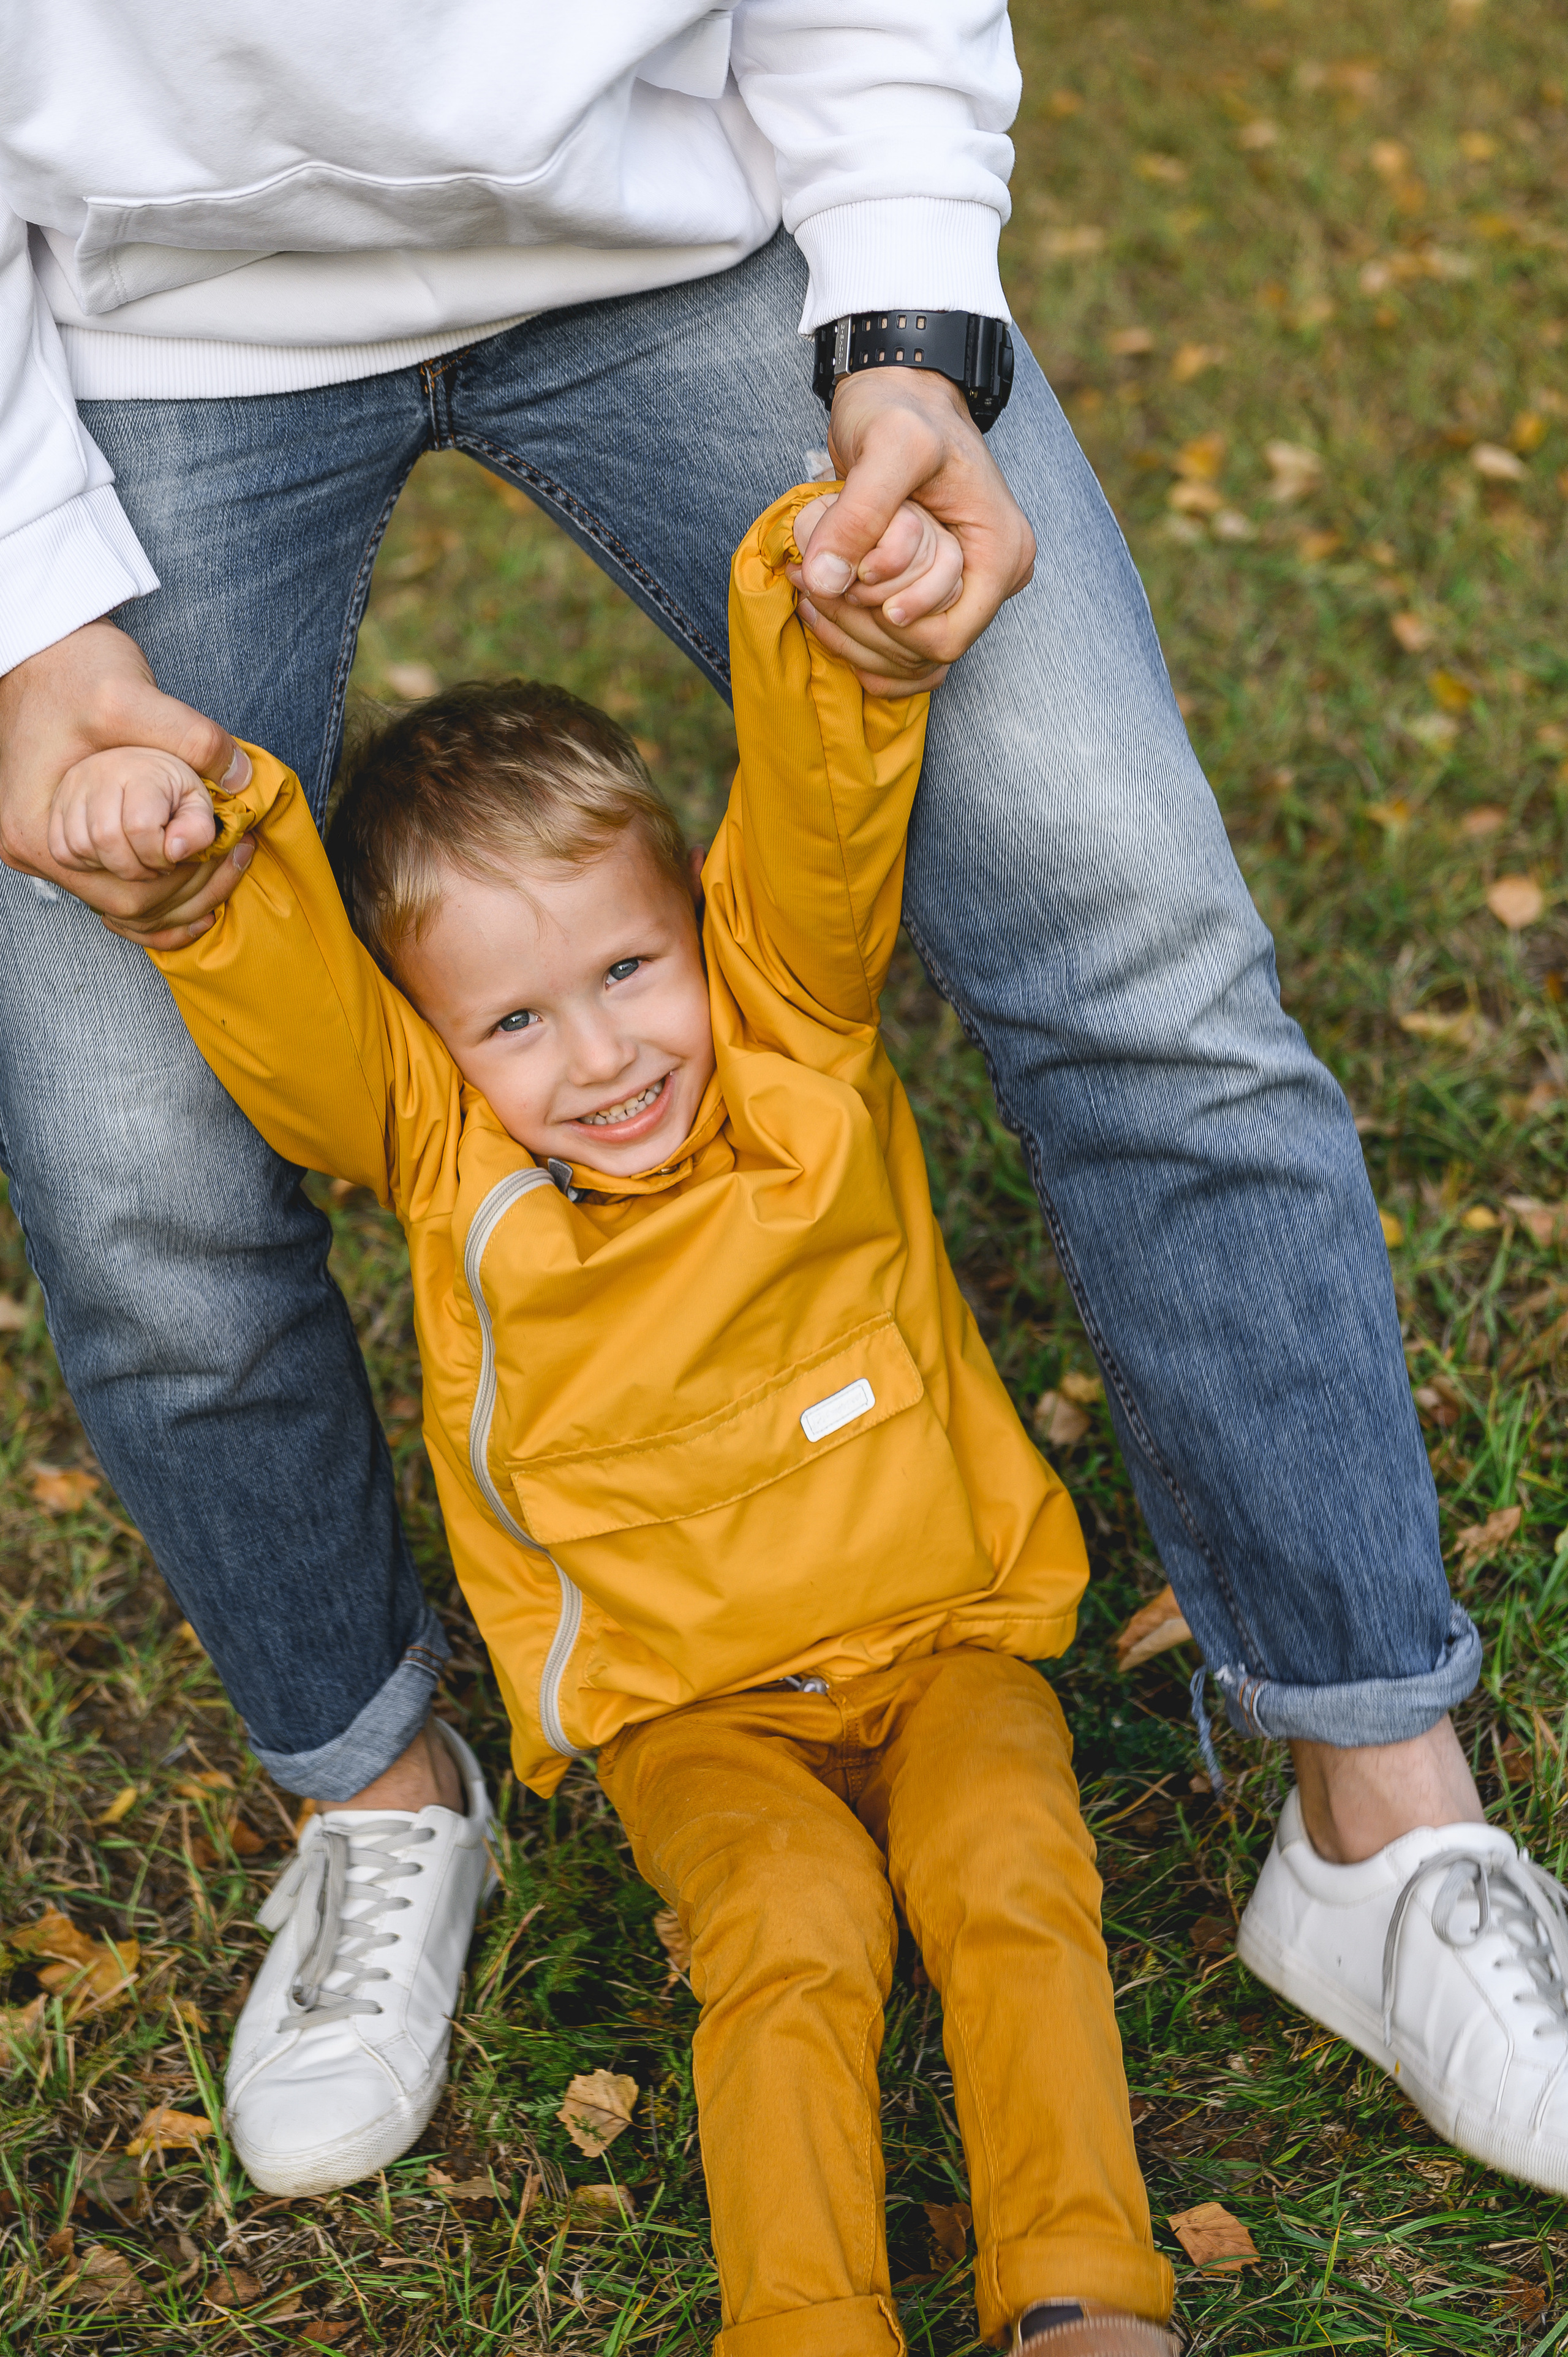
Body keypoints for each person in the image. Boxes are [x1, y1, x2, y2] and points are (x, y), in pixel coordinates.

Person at [0, 0, 1558, 2204]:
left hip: (683, 218)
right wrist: (34, 620)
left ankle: (1383, 1823)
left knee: (1138, 943)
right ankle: (373, 1801)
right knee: (129, 1156)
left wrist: (904, 324)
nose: (613, 1049)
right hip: (134, 322)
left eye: (632, 988)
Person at [126, 484, 1174, 2357]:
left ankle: (1082, 2289)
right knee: (794, 1925)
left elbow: (829, 816)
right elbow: (300, 1029)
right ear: (436, 1055)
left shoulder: (792, 1042)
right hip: (696, 1718)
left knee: (1009, 1868)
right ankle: (805, 2322)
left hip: (943, 1643)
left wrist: (826, 641)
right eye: (514, 1022)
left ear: (696, 924)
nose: (602, 1057)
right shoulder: (444, 1166)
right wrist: (215, 889)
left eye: (626, 969)